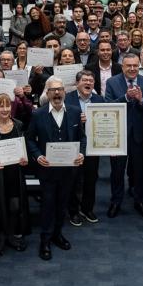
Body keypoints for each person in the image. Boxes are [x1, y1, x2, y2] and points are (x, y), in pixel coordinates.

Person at [26, 77, 85, 260]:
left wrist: (82, 153)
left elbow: (82, 138)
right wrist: (38, 156)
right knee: (48, 205)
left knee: (62, 205)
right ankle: (45, 239)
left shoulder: (75, 112)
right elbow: (29, 139)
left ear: (65, 92)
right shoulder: (38, 114)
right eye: (53, 90)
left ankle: (57, 234)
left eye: (60, 89)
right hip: (47, 170)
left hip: (68, 169)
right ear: (47, 93)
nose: (57, 93)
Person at [104, 53, 143, 218]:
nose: (132, 69)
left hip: (140, 136)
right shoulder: (112, 82)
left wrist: (142, 100)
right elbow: (107, 106)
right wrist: (126, 97)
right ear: (122, 67)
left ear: (139, 65)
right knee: (117, 172)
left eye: (135, 65)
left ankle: (140, 201)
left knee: (139, 171)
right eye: (129, 66)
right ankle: (116, 202)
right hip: (118, 135)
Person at [0, 93, 31, 255]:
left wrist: (25, 160)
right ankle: (1, 238)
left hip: (15, 173)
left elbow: (24, 150)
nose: (5, 109)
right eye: (1, 106)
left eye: (7, 105)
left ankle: (10, 235)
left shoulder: (19, 124)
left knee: (15, 206)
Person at [64, 71, 104, 225]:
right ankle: (73, 210)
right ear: (77, 83)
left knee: (91, 179)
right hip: (73, 145)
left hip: (94, 146)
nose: (88, 83)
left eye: (91, 80)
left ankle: (87, 208)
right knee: (73, 179)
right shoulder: (68, 98)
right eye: (85, 80)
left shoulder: (99, 100)